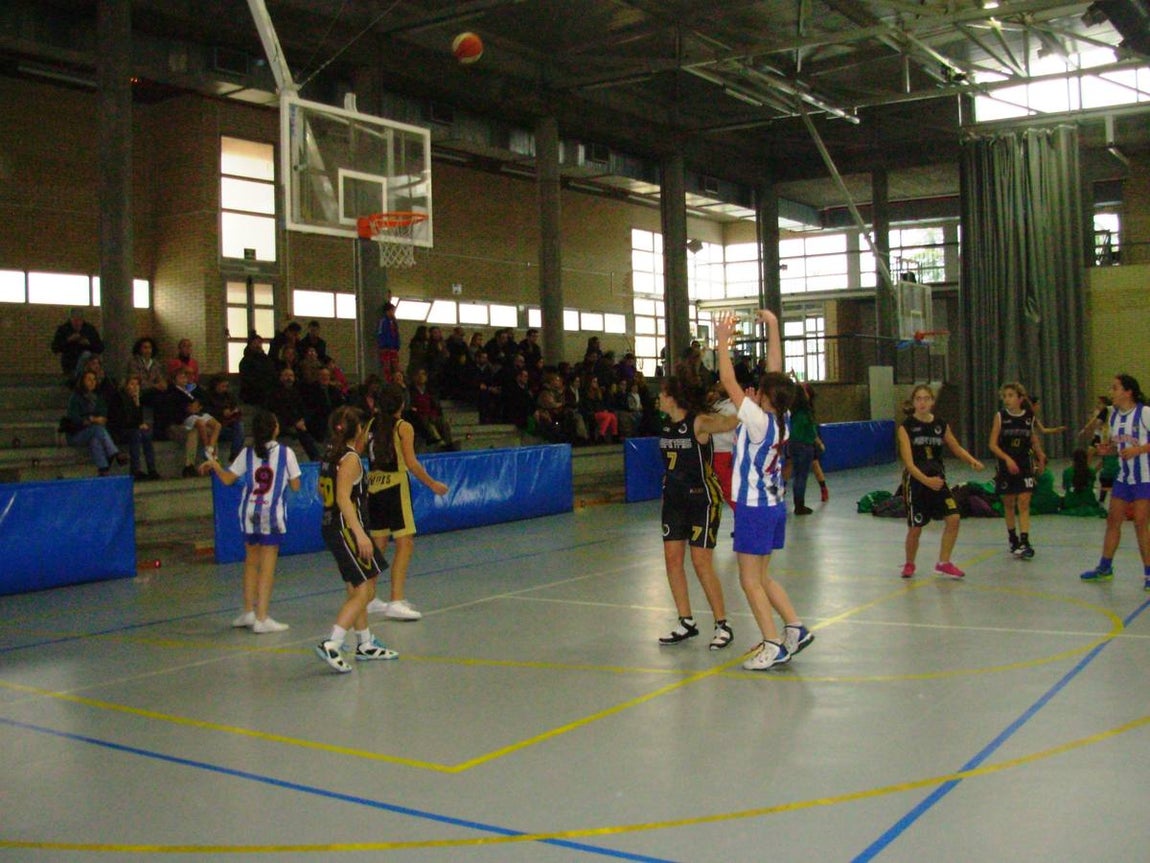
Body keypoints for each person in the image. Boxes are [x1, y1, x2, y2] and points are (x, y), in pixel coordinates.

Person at [715, 310, 814, 670]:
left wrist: (722, 339)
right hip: (774, 505)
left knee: (748, 580)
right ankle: (795, 627)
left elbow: (727, 379)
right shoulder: (781, 417)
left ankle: (772, 642)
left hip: (754, 508)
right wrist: (773, 327)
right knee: (763, 576)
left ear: (767, 398)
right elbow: (776, 371)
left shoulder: (757, 420)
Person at [655, 368, 738, 650]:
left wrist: (749, 406)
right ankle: (686, 620)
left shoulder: (699, 422)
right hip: (674, 500)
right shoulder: (665, 425)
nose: (658, 398)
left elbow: (728, 423)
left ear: (672, 397)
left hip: (702, 499)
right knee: (672, 559)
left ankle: (722, 623)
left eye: (662, 394)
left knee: (701, 562)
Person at [201, 409, 301, 634]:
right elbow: (295, 485)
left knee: (250, 561)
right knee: (267, 566)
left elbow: (227, 479)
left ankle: (248, 611)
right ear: (275, 428)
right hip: (271, 514)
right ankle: (262, 617)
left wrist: (215, 464)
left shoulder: (247, 453)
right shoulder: (286, 453)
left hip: (248, 512)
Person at [315, 405, 397, 672]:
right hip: (346, 528)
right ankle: (333, 642)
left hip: (333, 526)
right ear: (358, 430)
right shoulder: (349, 459)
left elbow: (321, 489)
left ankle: (364, 642)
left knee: (357, 585)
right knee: (365, 590)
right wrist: (360, 534)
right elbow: (341, 498)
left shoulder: (329, 455)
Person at [364, 384, 450, 621]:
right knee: (405, 543)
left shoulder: (371, 425)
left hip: (374, 488)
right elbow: (411, 463)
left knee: (378, 543)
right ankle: (396, 599)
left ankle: (368, 596)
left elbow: (358, 450)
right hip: (395, 487)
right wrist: (433, 484)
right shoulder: (404, 427)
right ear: (401, 404)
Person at [897, 384, 984, 579]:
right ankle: (910, 563)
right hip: (917, 482)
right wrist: (926, 481)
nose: (922, 402)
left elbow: (955, 447)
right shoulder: (906, 427)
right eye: (918, 399)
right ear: (913, 402)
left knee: (953, 518)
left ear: (932, 402)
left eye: (926, 398)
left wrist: (971, 460)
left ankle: (943, 562)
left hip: (938, 480)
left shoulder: (940, 425)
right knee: (915, 528)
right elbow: (909, 464)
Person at [1079, 374, 1150, 589]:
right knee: (1113, 520)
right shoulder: (1115, 416)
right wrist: (1107, 450)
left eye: (1115, 388)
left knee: (1140, 523)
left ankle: (1148, 573)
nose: (1112, 392)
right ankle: (1105, 566)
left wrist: (1138, 449)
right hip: (1123, 477)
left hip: (1144, 477)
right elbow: (1118, 446)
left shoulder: (1145, 413)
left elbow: (1139, 446)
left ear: (1128, 392)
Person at [988, 382, 1046, 559]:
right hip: (1006, 463)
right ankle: (1013, 537)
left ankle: (1025, 540)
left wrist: (1040, 455)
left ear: (1020, 398)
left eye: (1010, 395)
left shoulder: (1029, 416)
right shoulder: (1000, 416)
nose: (1007, 399)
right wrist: (1006, 459)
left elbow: (1033, 438)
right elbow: (992, 444)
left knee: (1024, 500)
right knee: (1009, 502)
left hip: (1024, 462)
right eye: (1004, 396)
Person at [64, 369, 124, 476]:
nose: (92, 382)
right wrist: (91, 420)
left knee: (95, 439)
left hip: (94, 431)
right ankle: (114, 453)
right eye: (89, 379)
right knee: (97, 429)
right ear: (82, 381)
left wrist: (94, 420)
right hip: (77, 433)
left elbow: (103, 416)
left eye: (94, 379)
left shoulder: (98, 398)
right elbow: (74, 418)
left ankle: (103, 468)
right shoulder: (76, 398)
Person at [109, 374, 160, 480]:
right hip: (120, 431)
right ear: (126, 385)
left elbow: (138, 420)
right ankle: (135, 469)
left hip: (132, 428)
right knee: (136, 433)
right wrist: (137, 425)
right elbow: (120, 420)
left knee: (146, 435)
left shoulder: (136, 399)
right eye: (132, 384)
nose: (135, 387)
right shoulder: (118, 398)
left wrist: (137, 405)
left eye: (137, 384)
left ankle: (152, 469)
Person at [787, 380, 818, 515]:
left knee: (795, 475)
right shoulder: (805, 412)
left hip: (792, 445)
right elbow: (811, 431)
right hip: (804, 446)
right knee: (802, 476)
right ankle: (800, 505)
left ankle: (797, 503)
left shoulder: (791, 412)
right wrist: (817, 443)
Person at [51, 308, 103, 384]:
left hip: (88, 363)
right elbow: (55, 348)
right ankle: (75, 376)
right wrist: (68, 340)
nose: (78, 324)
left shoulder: (90, 330)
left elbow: (100, 348)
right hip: (70, 362)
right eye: (75, 321)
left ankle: (80, 376)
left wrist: (89, 343)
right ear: (71, 319)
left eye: (80, 321)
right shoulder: (63, 329)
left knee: (87, 354)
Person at [204, 373, 244, 462]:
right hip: (216, 426)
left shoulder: (228, 396)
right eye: (222, 386)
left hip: (228, 425)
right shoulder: (208, 396)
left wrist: (232, 412)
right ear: (216, 385)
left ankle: (234, 454)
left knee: (239, 427)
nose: (225, 389)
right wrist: (221, 413)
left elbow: (236, 409)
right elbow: (207, 413)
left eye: (226, 386)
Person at [1061, 448, 1104, 516]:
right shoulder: (1091, 471)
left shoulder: (1067, 472)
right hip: (1089, 502)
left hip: (1071, 503)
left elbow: (1064, 487)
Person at [239, 332, 278, 407]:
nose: (258, 345)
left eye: (259, 343)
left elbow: (272, 373)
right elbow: (248, 379)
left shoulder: (266, 359)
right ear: (250, 345)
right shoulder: (246, 361)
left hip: (267, 391)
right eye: (255, 343)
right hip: (253, 393)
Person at [124, 337, 167, 403]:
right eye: (145, 348)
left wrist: (162, 384)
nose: (148, 350)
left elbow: (159, 378)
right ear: (140, 349)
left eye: (150, 348)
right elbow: (137, 381)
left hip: (154, 392)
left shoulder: (156, 364)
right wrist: (154, 386)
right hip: (140, 392)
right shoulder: (134, 362)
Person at [375, 303, 401, 382]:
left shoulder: (394, 322)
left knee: (395, 366)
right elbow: (380, 334)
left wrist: (397, 345)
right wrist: (383, 346)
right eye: (392, 311)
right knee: (387, 367)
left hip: (393, 348)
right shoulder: (383, 321)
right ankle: (388, 381)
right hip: (386, 348)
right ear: (387, 311)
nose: (393, 313)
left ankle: (396, 380)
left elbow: (396, 334)